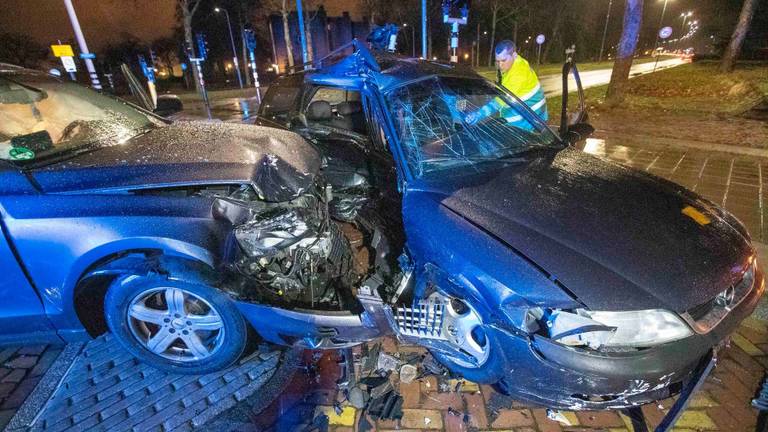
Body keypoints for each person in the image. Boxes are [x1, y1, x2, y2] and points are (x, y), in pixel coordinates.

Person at [465, 40, 548, 126]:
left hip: (530, 122)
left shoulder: (519, 73)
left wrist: (479, 114)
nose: (500, 65)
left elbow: (500, 101)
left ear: (514, 55)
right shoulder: (513, 64)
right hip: (528, 115)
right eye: (497, 61)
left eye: (503, 60)